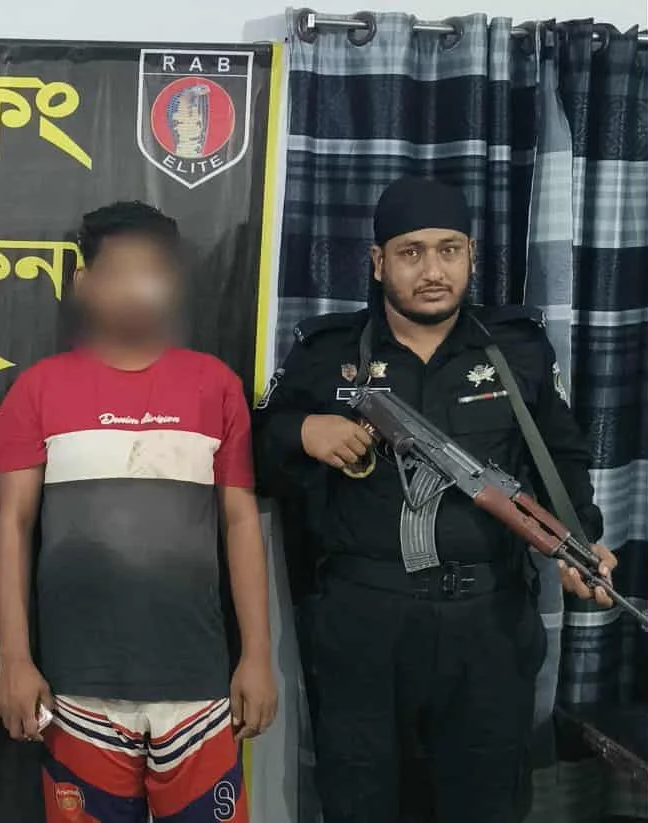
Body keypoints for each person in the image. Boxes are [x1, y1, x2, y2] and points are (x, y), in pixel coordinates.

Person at [253, 176, 618, 823]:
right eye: (411, 252)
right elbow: (250, 448)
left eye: (449, 250)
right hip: (364, 622)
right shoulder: (325, 354)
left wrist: (578, 539)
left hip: (489, 624)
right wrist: (302, 430)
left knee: (484, 801)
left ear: (471, 255)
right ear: (377, 262)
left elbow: (560, 456)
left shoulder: (517, 350)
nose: (432, 271)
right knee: (360, 800)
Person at [0, 201, 276, 823]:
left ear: (174, 284)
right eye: (118, 273)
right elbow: (12, 526)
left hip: (198, 686)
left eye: (152, 273)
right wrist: (14, 658)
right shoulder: (37, 390)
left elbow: (240, 523)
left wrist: (257, 655)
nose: (136, 290)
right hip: (78, 689)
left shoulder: (215, 385)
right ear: (83, 283)